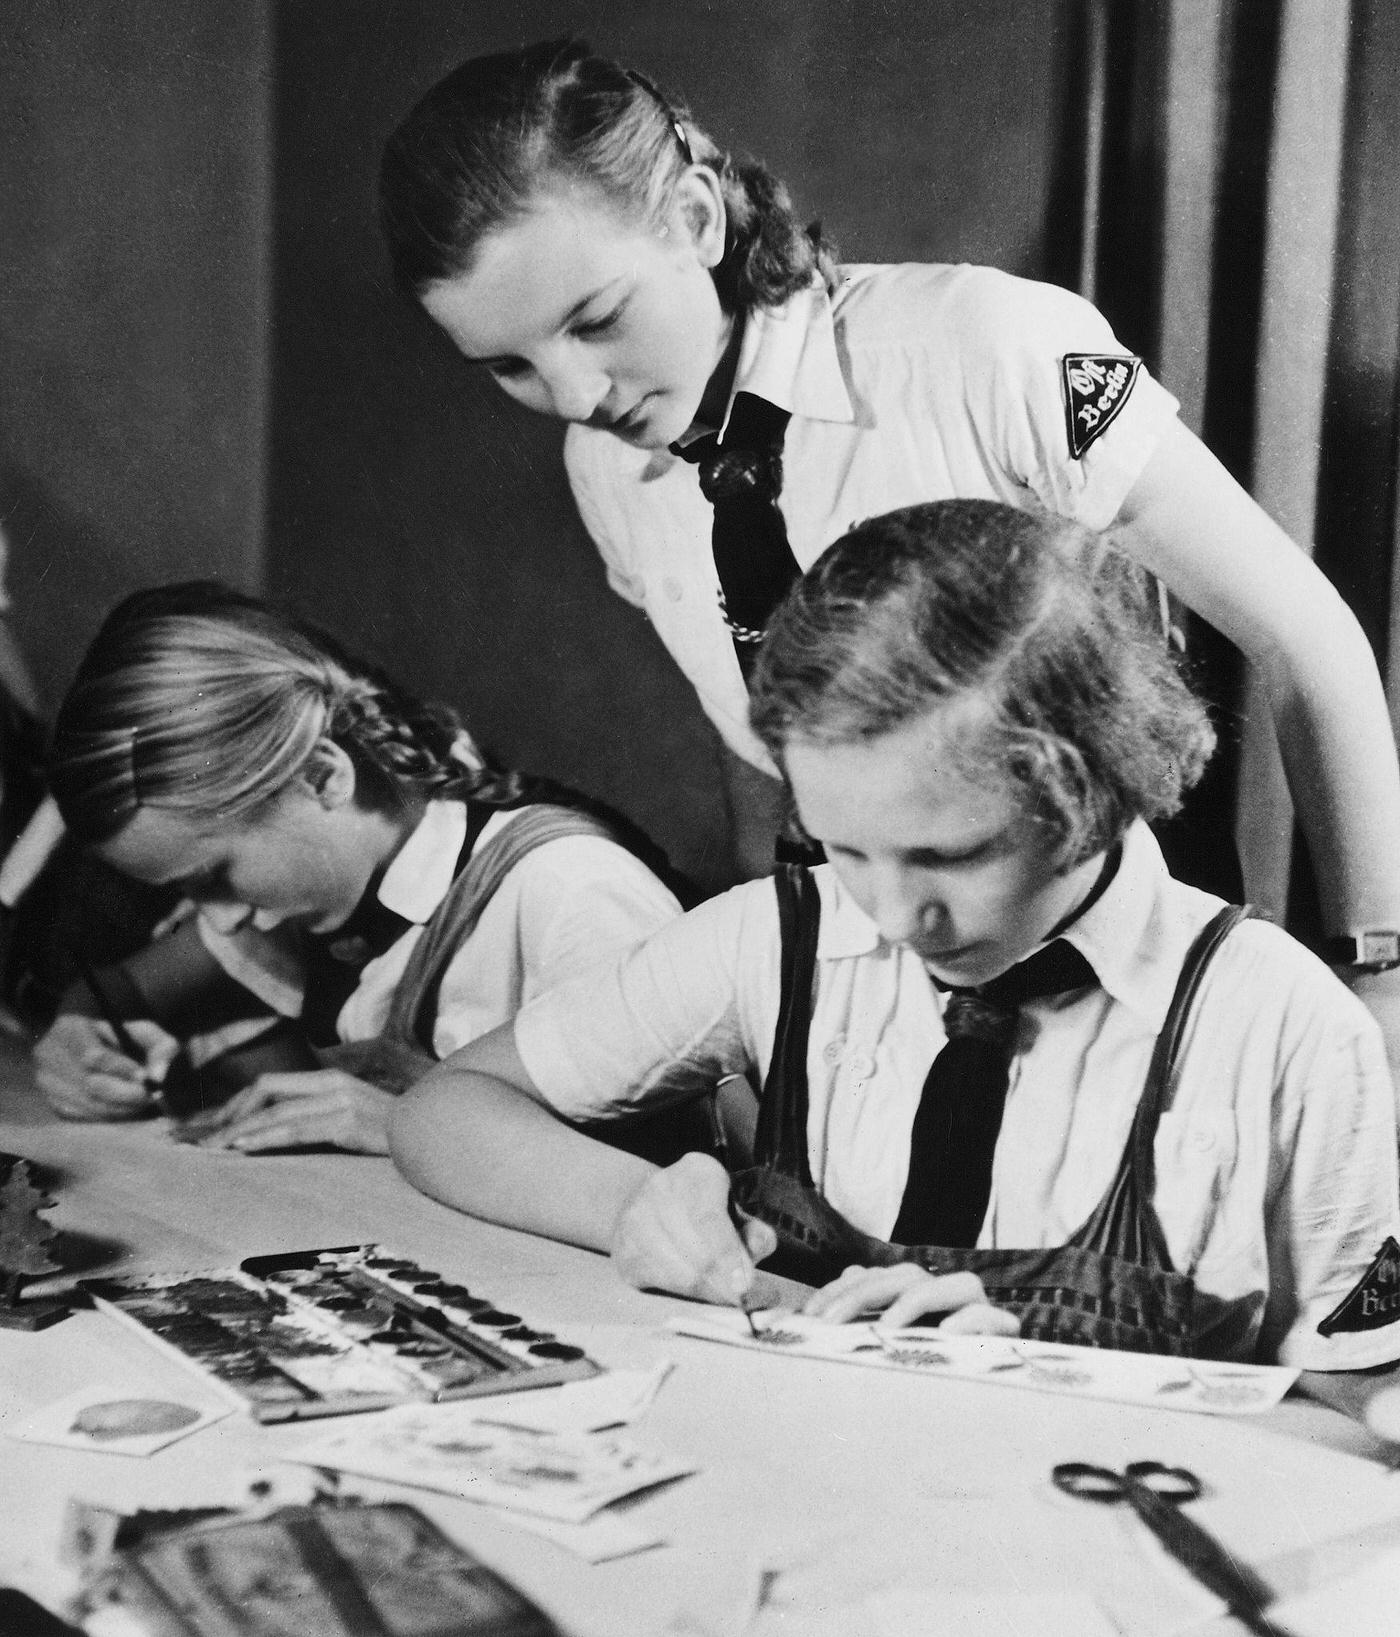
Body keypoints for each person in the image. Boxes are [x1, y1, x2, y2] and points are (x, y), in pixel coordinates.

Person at [377, 36, 1400, 1071]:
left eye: (597, 319)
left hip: (1125, 990)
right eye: (508, 364)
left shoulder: (986, 350)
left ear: (693, 215)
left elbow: (1305, 640)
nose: (577, 396)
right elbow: (759, 761)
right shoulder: (603, 471)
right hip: (876, 1012)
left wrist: (1379, 977)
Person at [392, 499, 1400, 1423]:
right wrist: (632, 1204)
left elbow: (1363, 1392)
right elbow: (444, 1110)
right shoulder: (777, 936)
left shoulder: (1279, 1022)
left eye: (951, 854)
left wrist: (1045, 1380)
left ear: (1098, 786)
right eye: (843, 845)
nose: (890, 913)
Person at [33, 581, 683, 1152]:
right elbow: (116, 991)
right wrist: (74, 1031)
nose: (221, 922)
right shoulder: (318, 892)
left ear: (321, 777)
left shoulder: (568, 884)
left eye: (214, 878)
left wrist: (405, 1123)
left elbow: (673, 1168)